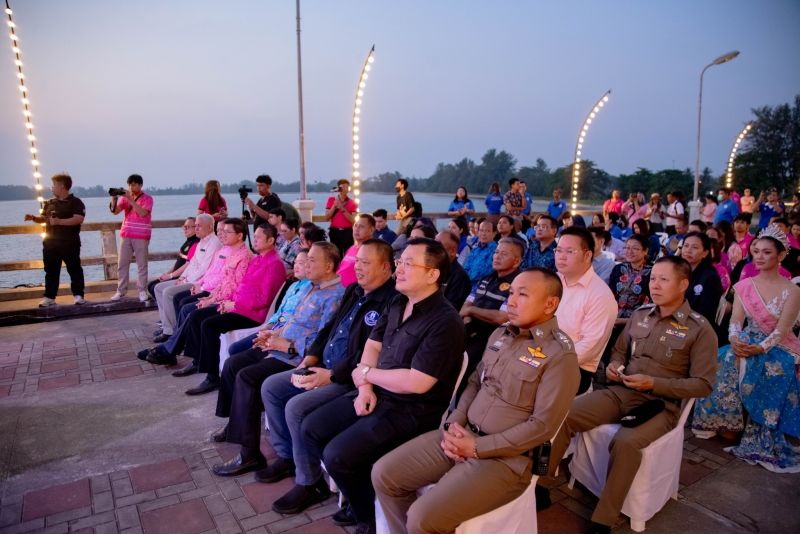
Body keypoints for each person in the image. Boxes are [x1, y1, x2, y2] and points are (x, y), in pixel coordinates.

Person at [372, 268, 580, 534]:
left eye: (523, 294)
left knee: (423, 518)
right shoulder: (501, 335)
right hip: (462, 434)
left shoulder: (559, 356)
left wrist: (477, 448)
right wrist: (454, 422)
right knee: (384, 474)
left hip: (505, 460)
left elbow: (542, 427)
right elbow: (474, 383)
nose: (511, 301)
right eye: (512, 293)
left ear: (550, 304)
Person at [290, 238, 466, 533]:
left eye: (410, 263)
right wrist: (365, 388)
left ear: (433, 274)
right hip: (377, 393)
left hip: (411, 410)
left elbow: (418, 382)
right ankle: (362, 496)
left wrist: (368, 376)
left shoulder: (445, 321)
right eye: (401, 262)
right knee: (311, 427)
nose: (401, 269)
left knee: (338, 455)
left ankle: (367, 519)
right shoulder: (398, 302)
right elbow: (372, 345)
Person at [547, 256, 717, 534]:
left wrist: (654, 382)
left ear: (683, 284)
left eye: (664, 279)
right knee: (564, 415)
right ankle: (541, 486)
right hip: (621, 391)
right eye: (653, 279)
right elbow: (618, 351)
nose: (656, 285)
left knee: (625, 443)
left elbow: (702, 384)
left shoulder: (699, 329)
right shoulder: (641, 315)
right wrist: (615, 366)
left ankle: (604, 519)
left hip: (660, 405)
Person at [254, 240, 397, 515]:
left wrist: (331, 376)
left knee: (296, 408)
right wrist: (309, 359)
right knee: (272, 386)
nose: (358, 268)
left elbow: (370, 354)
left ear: (386, 267)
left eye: (366, 263)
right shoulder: (355, 290)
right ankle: (287, 457)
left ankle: (310, 482)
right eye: (357, 261)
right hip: (322, 365)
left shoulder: (390, 302)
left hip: (350, 379)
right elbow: (329, 329)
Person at [208, 242, 345, 475]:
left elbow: (324, 341)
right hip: (279, 346)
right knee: (233, 364)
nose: (305, 264)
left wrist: (287, 345)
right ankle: (236, 424)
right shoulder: (310, 287)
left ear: (329, 265)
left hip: (295, 357)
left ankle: (250, 454)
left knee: (248, 377)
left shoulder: (335, 296)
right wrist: (273, 333)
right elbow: (289, 320)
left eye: (312, 260)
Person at [693, 225, 800, 472]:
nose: (759, 257)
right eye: (756, 251)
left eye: (767, 252)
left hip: (776, 346)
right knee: (722, 358)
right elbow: (736, 321)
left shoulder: (792, 290)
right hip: (745, 340)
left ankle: (758, 426)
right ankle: (725, 422)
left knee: (774, 368)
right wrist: (734, 339)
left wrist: (758, 349)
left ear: (781, 255)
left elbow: (782, 331)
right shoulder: (744, 285)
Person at [140, 219, 253, 371]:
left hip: (229, 302)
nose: (222, 234)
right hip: (215, 293)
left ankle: (177, 352)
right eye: (221, 230)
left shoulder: (243, 256)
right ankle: (171, 349)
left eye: (227, 232)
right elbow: (217, 276)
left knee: (192, 311)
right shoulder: (228, 251)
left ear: (240, 236)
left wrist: (211, 297)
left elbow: (233, 286)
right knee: (188, 308)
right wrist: (205, 290)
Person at [554, 227, 617, 394]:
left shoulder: (600, 295)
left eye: (569, 251)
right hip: (539, 357)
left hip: (571, 369)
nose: (561, 256)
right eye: (558, 250)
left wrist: (546, 361)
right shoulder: (554, 281)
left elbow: (587, 349)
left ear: (588, 255)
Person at [152, 214, 221, 340]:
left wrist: (186, 280)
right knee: (158, 288)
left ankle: (170, 332)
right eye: (196, 226)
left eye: (199, 226)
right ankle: (167, 326)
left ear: (210, 227)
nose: (196, 229)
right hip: (188, 279)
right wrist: (181, 278)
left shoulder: (214, 243)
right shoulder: (201, 242)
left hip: (198, 282)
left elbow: (204, 269)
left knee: (168, 292)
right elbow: (192, 263)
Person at [460, 238, 523, 375]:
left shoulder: (518, 284)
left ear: (516, 261)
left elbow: (501, 318)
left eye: (504, 254)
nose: (497, 256)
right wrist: (468, 318)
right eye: (496, 252)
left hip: (496, 340)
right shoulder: (486, 278)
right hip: (470, 332)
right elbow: (467, 303)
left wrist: (471, 311)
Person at [24, 173, 86, 307]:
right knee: (51, 270)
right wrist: (34, 218)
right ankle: (49, 297)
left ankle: (78, 295)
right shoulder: (50, 203)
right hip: (51, 243)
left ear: (62, 186)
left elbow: (78, 219)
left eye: (54, 185)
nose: (52, 188)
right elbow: (45, 219)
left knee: (74, 269)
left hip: (70, 242)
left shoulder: (76, 202)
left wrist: (59, 221)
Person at [110, 174, 154, 302]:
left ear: (140, 185)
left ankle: (142, 291)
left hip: (141, 236)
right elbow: (115, 212)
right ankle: (121, 291)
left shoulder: (147, 198)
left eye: (134, 184)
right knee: (122, 264)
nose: (131, 187)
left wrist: (130, 199)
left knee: (142, 265)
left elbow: (142, 213)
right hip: (126, 234)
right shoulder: (125, 198)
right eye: (129, 184)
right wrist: (114, 198)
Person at [147, 217, 199, 302]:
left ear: (195, 227)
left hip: (180, 276)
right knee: (150, 285)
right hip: (174, 274)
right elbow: (178, 262)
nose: (185, 229)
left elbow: (187, 265)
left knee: (154, 287)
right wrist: (167, 273)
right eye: (184, 226)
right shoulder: (187, 242)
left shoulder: (196, 243)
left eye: (188, 227)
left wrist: (171, 276)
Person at [679, 231, 724, 325]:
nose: (688, 250)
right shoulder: (675, 271)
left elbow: (706, 314)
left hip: (695, 326)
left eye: (694, 247)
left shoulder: (710, 278)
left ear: (705, 253)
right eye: (686, 246)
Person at [610, 234, 652, 322]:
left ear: (645, 251)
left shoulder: (652, 273)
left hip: (638, 321)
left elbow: (650, 305)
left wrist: (625, 321)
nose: (629, 251)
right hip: (614, 317)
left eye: (635, 248)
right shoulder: (618, 269)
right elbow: (610, 295)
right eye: (627, 248)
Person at [435, 230, 472, 310]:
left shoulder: (460, 277)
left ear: (452, 251)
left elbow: (450, 309)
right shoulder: (433, 270)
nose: (433, 248)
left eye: (438, 245)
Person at [338, 214, 376, 288]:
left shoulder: (371, 251)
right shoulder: (352, 248)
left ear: (371, 230)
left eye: (361, 226)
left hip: (353, 293)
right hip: (339, 290)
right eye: (355, 225)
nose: (357, 229)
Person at [325, 179, 358, 256]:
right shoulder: (331, 200)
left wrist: (342, 208)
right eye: (342, 187)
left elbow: (353, 220)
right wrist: (334, 206)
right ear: (338, 188)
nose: (345, 189)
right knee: (336, 255)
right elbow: (326, 217)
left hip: (347, 232)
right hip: (334, 231)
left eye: (347, 187)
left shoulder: (352, 202)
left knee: (348, 255)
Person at [462, 219, 497, 287]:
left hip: (482, 287)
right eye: (481, 230)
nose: (484, 234)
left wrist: (466, 278)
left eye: (487, 231)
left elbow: (485, 272)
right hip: (467, 284)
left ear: (494, 233)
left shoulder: (496, 251)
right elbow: (466, 266)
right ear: (478, 232)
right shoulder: (475, 248)